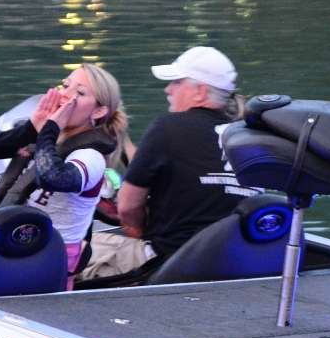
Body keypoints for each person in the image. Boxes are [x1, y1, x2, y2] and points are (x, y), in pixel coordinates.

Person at [76, 45, 252, 283]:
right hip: (234, 260)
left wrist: (137, 232)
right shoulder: (246, 134)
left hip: (169, 262)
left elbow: (127, 206)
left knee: (66, 246)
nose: (168, 89)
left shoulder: (169, 128)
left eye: (176, 82)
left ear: (200, 91)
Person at [0, 64, 129, 284]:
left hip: (43, 260)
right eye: (66, 86)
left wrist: (48, 130)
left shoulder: (91, 157)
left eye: (79, 93)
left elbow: (52, 177)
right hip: (6, 243)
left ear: (98, 111)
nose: (66, 96)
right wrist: (32, 127)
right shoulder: (41, 134)